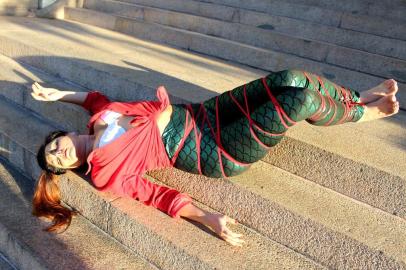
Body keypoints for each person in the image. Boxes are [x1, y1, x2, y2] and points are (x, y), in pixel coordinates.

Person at [31, 69, 400, 247]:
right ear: (68, 167)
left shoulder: (100, 117)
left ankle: (354, 96)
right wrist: (207, 218)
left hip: (202, 114)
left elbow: (94, 98)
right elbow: (153, 194)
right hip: (210, 149)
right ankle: (364, 113)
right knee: (297, 101)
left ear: (60, 135)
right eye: (56, 160)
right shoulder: (103, 172)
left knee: (290, 78)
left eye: (53, 145)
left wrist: (57, 94)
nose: (57, 151)